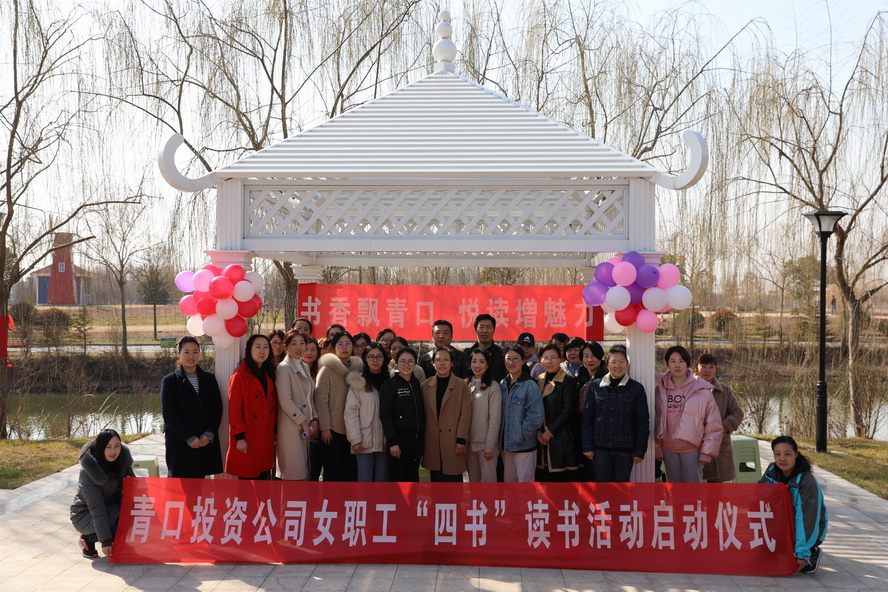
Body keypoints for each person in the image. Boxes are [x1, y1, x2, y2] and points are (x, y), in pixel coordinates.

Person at [759, 436, 828, 574]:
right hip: (783, 522)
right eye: (777, 454)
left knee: (798, 563)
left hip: (807, 527)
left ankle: (811, 551)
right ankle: (779, 546)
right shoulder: (772, 469)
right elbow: (759, 496)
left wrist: (801, 554)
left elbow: (807, 520)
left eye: (787, 454)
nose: (782, 459)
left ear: (796, 454)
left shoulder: (807, 483)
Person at [581, 345, 650, 482]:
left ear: (627, 364)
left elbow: (642, 422)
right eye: (613, 362)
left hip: (625, 450)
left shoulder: (636, 388)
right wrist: (587, 446)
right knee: (603, 488)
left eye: (621, 362)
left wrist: (640, 450)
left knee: (622, 489)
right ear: (607, 364)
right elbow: (587, 419)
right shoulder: (596, 386)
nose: (617, 365)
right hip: (600, 449)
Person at [655, 345, 723, 483]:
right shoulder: (659, 389)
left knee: (692, 491)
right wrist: (657, 448)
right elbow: (654, 419)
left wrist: (707, 452)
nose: (677, 365)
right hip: (668, 449)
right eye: (673, 361)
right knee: (674, 489)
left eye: (681, 361)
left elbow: (713, 424)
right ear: (667, 364)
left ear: (687, 364)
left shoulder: (701, 390)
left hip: (692, 450)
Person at [159, 336, 223, 479]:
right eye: (186, 352)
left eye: (195, 352)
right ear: (178, 353)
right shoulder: (170, 381)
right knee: (179, 487)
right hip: (180, 443)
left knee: (200, 486)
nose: (191, 356)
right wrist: (189, 437)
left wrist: (209, 434)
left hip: (203, 441)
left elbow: (217, 408)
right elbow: (169, 414)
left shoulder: (209, 378)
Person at [70, 429, 134, 558]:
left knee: (137, 518)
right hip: (86, 513)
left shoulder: (122, 461)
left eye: (117, 446)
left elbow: (135, 488)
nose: (113, 451)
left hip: (112, 507)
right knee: (118, 528)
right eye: (108, 447)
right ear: (100, 448)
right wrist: (106, 542)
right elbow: (97, 508)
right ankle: (87, 538)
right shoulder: (88, 472)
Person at [225, 334, 278, 480]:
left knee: (263, 480)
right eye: (258, 347)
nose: (262, 351)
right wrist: (239, 438)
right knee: (246, 483)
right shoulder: (239, 375)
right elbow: (234, 410)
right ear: (249, 350)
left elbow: (273, 405)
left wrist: (274, 430)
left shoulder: (269, 372)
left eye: (266, 347)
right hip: (248, 437)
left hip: (265, 435)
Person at [315, 331, 363, 481]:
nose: (344, 347)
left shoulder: (358, 369)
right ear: (334, 348)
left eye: (348, 343)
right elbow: (321, 400)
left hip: (353, 429)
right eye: (340, 344)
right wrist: (325, 427)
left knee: (349, 473)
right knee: (332, 472)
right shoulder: (327, 369)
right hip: (332, 430)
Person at [421, 347, 472, 482]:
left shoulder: (461, 385)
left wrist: (461, 440)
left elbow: (465, 414)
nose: (442, 363)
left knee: (453, 483)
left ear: (452, 363)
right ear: (433, 363)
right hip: (432, 441)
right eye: (438, 360)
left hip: (453, 441)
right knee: (436, 484)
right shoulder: (425, 386)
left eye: (446, 360)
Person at [695, 353, 744, 483]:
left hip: (719, 447)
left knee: (716, 490)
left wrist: (723, 428)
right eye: (703, 366)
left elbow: (737, 412)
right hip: (692, 446)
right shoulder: (687, 388)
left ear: (716, 369)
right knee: (692, 487)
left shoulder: (724, 390)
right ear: (696, 368)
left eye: (711, 367)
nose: (707, 370)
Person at [275, 330, 317, 481]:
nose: (298, 347)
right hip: (291, 427)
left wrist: (315, 419)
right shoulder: (283, 368)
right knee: (292, 474)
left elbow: (310, 397)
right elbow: (285, 401)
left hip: (305, 427)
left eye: (302, 343)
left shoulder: (304, 366)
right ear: (286, 347)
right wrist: (303, 422)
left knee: (302, 474)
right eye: (294, 344)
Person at [535, 343, 581, 481]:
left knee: (562, 484)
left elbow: (568, 410)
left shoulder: (568, 381)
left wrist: (549, 432)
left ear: (561, 359)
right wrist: (537, 431)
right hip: (540, 440)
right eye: (545, 358)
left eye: (553, 357)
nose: (549, 361)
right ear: (540, 360)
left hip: (562, 440)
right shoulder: (537, 381)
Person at [345, 343, 390, 482]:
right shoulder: (358, 382)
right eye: (371, 356)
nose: (375, 360)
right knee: (365, 479)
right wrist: (355, 440)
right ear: (365, 358)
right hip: (364, 439)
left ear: (384, 358)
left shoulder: (391, 380)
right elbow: (351, 413)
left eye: (379, 356)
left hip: (386, 439)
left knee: (382, 479)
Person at [380, 347, 425, 481]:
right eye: (402, 361)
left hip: (416, 441)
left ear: (415, 363)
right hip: (398, 442)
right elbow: (385, 415)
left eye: (410, 361)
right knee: (398, 480)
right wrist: (393, 442)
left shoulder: (417, 383)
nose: (406, 365)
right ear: (396, 363)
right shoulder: (389, 385)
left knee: (413, 479)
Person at [500, 346, 544, 482]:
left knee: (525, 487)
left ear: (523, 361)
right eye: (508, 359)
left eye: (515, 359)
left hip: (524, 446)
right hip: (506, 446)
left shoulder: (530, 385)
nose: (511, 362)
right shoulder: (502, 384)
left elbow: (536, 415)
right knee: (510, 485)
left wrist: (522, 433)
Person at [465, 349, 502, 482]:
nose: (477, 365)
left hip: (486, 444)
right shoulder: (465, 384)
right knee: (474, 483)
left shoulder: (493, 387)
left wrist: (490, 445)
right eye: (474, 361)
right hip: (469, 443)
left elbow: (495, 418)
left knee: (488, 484)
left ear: (487, 365)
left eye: (481, 362)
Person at [463, 314, 506, 383]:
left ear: (494, 330)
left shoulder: (502, 354)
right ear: (475, 330)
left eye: (488, 327)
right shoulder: (466, 354)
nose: (485, 330)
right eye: (481, 327)